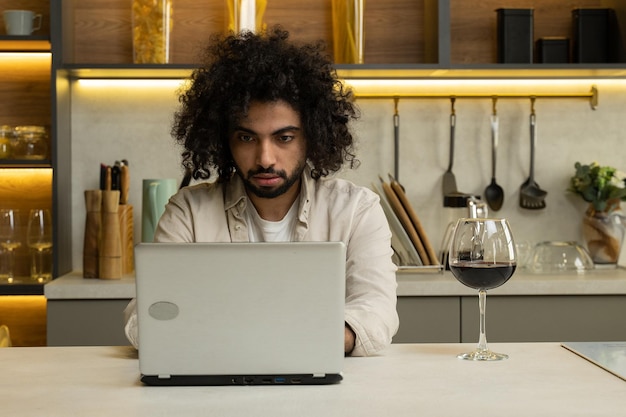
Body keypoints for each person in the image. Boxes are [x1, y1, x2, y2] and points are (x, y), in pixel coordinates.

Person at [125, 26, 398, 356]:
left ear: (311, 137)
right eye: (247, 138)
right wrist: (284, 335)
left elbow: (377, 314)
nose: (265, 158)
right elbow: (146, 319)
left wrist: (240, 334)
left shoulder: (357, 210)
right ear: (224, 140)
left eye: (284, 138)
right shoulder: (188, 213)